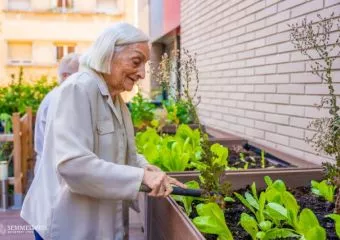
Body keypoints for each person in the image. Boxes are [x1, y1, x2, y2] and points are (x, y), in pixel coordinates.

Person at [21, 23, 186, 240]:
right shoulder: (78, 89)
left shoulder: (115, 98)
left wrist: (146, 168)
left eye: (144, 65)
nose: (142, 74)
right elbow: (73, 165)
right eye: (136, 62)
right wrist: (141, 176)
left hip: (98, 225)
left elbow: (121, 150)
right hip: (67, 226)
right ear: (108, 54)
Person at [34, 53, 80, 174]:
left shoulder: (57, 96)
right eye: (80, 76)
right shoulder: (61, 99)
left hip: (51, 167)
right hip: (52, 170)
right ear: (65, 76)